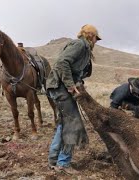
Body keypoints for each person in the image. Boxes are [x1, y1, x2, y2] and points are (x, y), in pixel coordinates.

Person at [46, 24, 101, 175]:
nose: (96, 41)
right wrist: (70, 86)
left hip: (59, 88)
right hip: (60, 88)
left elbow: (74, 71)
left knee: (64, 124)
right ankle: (63, 163)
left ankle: (53, 160)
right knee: (72, 124)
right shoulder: (79, 45)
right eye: (96, 38)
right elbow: (63, 62)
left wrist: (78, 85)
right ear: (90, 35)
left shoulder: (85, 49)